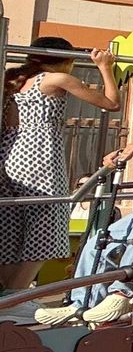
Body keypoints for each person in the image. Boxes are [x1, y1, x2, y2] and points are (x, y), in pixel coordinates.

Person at [0, 38, 121, 291]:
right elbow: (112, 103)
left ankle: (6, 292)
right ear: (66, 59)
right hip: (38, 155)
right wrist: (105, 67)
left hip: (8, 153)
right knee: (47, 226)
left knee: (12, 228)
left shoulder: (13, 80)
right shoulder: (55, 79)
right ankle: (16, 294)